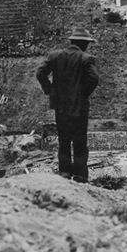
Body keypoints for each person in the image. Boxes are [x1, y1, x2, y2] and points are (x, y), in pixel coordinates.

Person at [36, 27, 99, 182]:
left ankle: (64, 172)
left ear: (71, 41)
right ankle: (79, 175)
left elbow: (40, 72)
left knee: (63, 140)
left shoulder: (55, 56)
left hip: (61, 106)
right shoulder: (86, 58)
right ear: (83, 44)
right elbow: (94, 78)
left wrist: (50, 90)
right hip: (79, 107)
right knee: (79, 141)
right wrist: (83, 94)